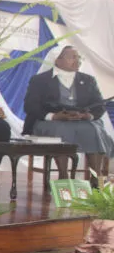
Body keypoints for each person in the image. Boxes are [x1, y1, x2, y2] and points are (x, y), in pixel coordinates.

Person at [23, 45, 114, 185]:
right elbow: (31, 106)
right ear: (57, 60)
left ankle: (96, 178)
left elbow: (99, 105)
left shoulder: (88, 80)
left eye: (79, 57)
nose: (77, 61)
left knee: (93, 129)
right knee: (62, 129)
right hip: (50, 121)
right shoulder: (40, 80)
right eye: (72, 57)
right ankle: (64, 177)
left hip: (83, 121)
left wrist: (87, 116)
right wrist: (54, 116)